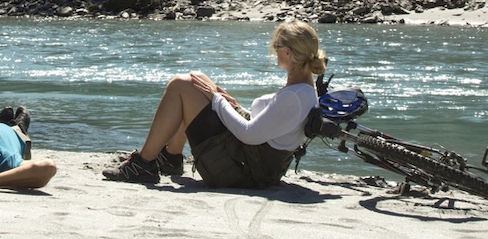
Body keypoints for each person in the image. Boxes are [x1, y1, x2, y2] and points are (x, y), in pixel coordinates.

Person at [103, 21, 326, 188]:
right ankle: (170, 157)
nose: (274, 50)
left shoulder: (294, 96)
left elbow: (250, 135)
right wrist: (234, 105)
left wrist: (218, 100)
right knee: (198, 79)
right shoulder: (304, 90)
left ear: (287, 52)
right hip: (251, 163)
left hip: (242, 171)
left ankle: (143, 164)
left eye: (276, 46)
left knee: (181, 85)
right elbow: (271, 127)